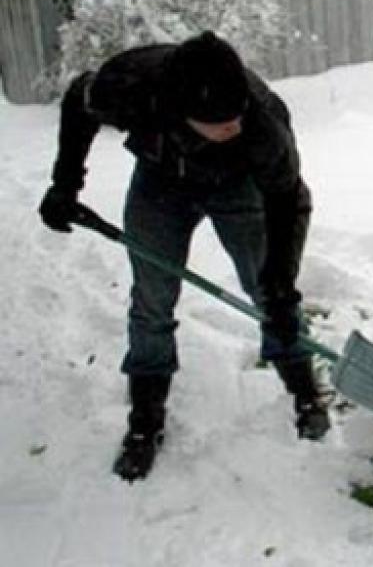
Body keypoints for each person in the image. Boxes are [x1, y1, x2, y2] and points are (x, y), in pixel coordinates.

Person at [38, 31, 329, 483]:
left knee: (266, 291)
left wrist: (281, 287)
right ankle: (146, 417)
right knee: (152, 297)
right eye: (220, 122)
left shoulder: (263, 122)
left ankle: (304, 390)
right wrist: (65, 184)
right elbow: (79, 100)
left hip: (240, 186)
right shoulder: (129, 86)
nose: (233, 126)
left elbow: (288, 203)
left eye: (238, 116)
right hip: (161, 184)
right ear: (181, 110)